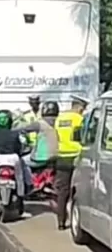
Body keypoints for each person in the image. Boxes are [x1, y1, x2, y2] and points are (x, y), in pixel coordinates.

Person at [0, 110, 41, 201]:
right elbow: (21, 146)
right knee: (21, 173)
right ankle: (23, 191)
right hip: (13, 159)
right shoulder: (15, 133)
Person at [54, 95, 88, 230]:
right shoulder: (80, 120)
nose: (83, 111)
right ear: (79, 107)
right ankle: (79, 221)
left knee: (63, 192)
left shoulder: (60, 119)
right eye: (83, 109)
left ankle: (61, 222)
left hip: (62, 158)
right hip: (77, 158)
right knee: (81, 190)